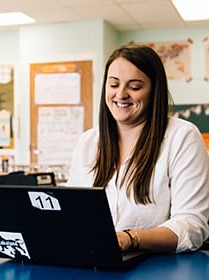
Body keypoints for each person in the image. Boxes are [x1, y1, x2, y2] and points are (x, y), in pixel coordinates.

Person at [68, 44, 209, 253]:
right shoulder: (87, 142)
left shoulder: (182, 137)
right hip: (93, 263)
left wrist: (130, 238)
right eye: (114, 84)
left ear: (154, 91)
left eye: (134, 87)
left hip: (158, 268)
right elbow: (72, 211)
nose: (121, 94)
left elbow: (192, 224)